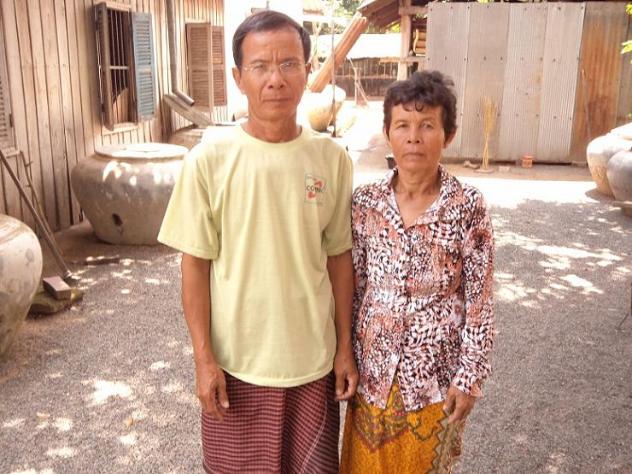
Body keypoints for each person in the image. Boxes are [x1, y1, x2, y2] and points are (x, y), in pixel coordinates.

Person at [158, 10, 358, 473]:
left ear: (308, 72)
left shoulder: (331, 159)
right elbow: (195, 265)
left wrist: (344, 346)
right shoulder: (209, 159)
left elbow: (339, 257)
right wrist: (203, 359)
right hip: (235, 365)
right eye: (260, 66)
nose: (275, 79)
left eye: (289, 64)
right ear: (238, 78)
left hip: (313, 362)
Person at [340, 70, 495, 473]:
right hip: (372, 375)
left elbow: (479, 303)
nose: (414, 137)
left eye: (427, 125)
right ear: (387, 133)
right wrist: (345, 353)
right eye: (403, 125)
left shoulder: (467, 206)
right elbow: (355, 287)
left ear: (448, 135)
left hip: (434, 382)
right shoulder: (366, 202)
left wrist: (470, 376)